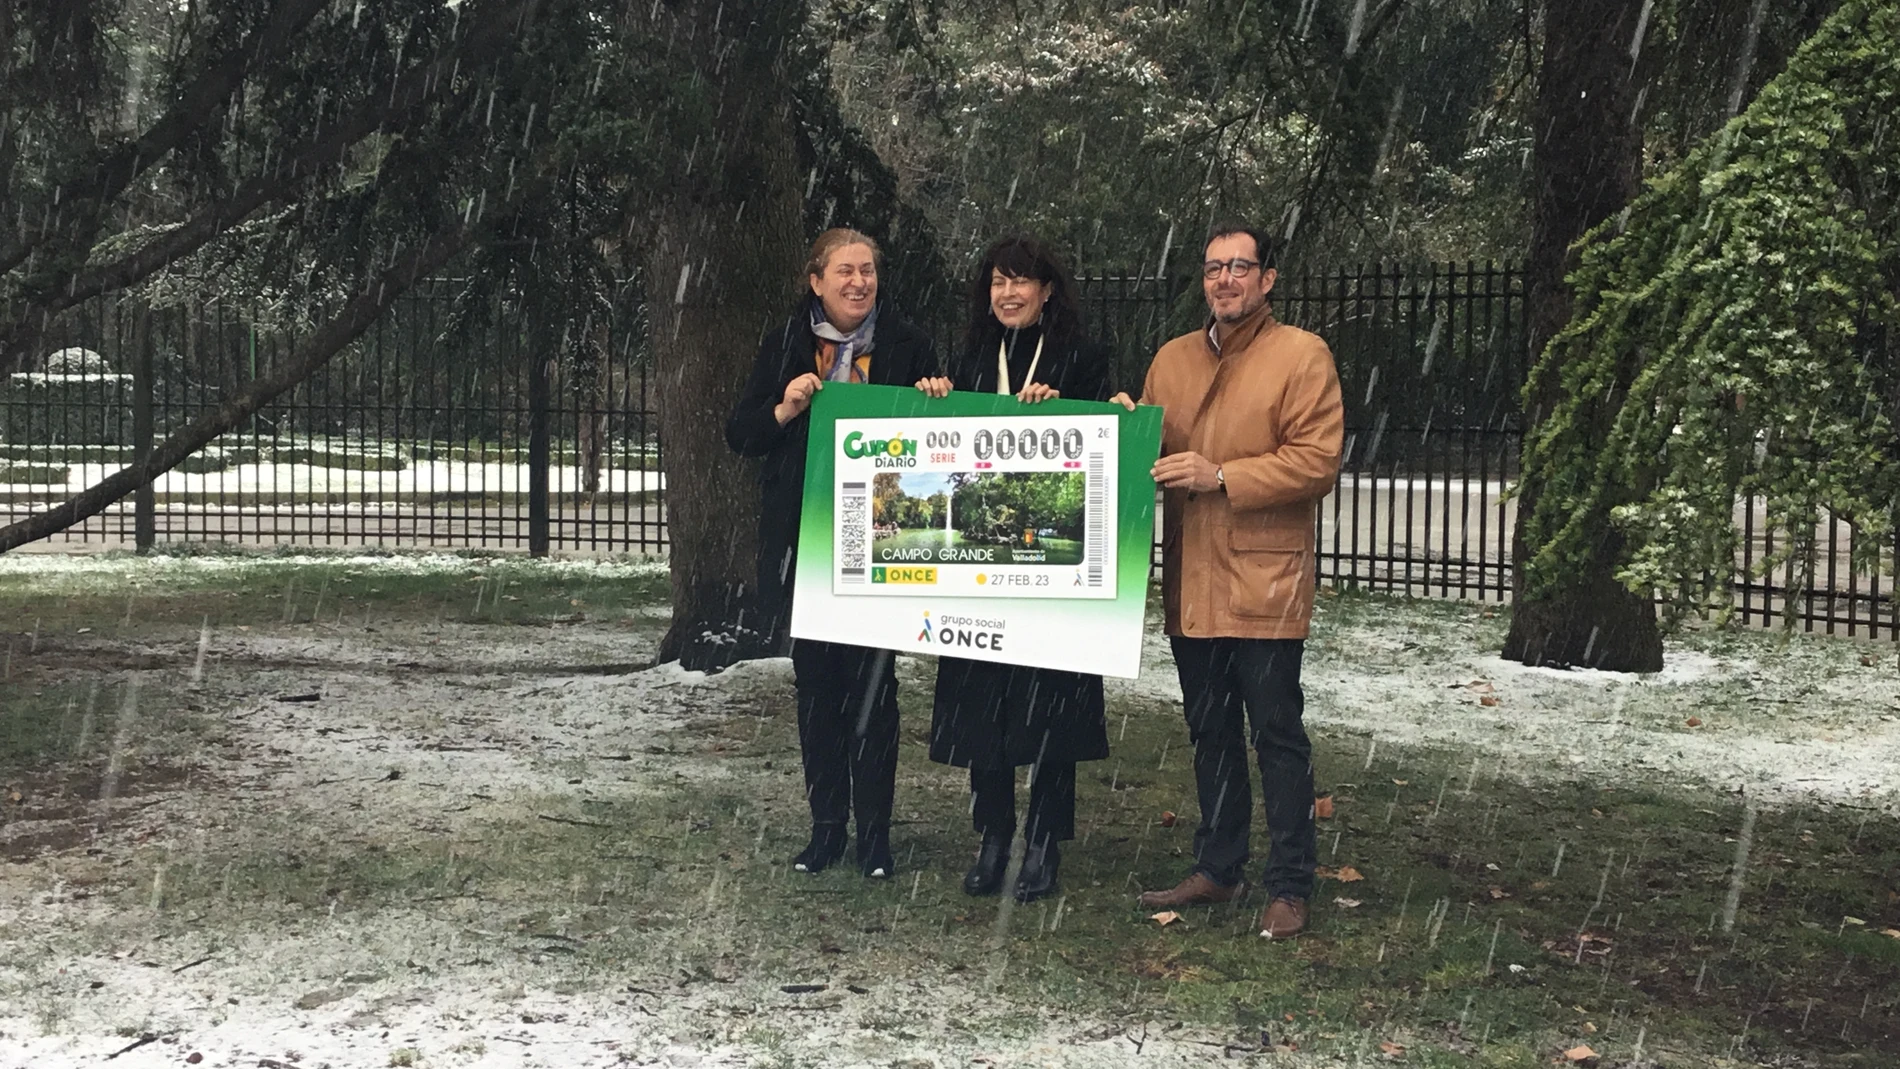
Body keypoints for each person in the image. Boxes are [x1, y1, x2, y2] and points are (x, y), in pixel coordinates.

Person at [1111, 223, 1343, 939]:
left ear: (1268, 277)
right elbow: (1147, 456)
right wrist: (1120, 433)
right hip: (1192, 578)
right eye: (1214, 267)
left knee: (1277, 732)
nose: (1226, 279)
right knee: (1209, 728)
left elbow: (1316, 461)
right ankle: (1218, 864)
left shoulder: (1302, 356)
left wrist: (1220, 476)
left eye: (1240, 266)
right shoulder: (1172, 360)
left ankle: (1290, 882)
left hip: (1264, 581)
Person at [726, 228, 938, 879]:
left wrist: (937, 402)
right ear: (815, 280)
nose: (858, 282)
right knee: (817, 689)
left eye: (867, 271)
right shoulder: (788, 342)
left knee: (875, 690)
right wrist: (784, 408)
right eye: (844, 271)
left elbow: (941, 451)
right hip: (805, 543)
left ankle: (875, 835)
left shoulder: (906, 345)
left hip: (881, 546)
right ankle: (826, 829)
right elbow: (742, 432)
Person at [914, 235, 1113, 903]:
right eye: (999, 281)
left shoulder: (1082, 358)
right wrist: (932, 396)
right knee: (982, 708)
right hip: (979, 571)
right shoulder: (971, 357)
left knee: (1051, 707)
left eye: (1021, 281)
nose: (1009, 293)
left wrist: (1069, 410)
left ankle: (1044, 844)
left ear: (1048, 289)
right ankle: (993, 835)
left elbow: (1108, 434)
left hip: (1048, 572)